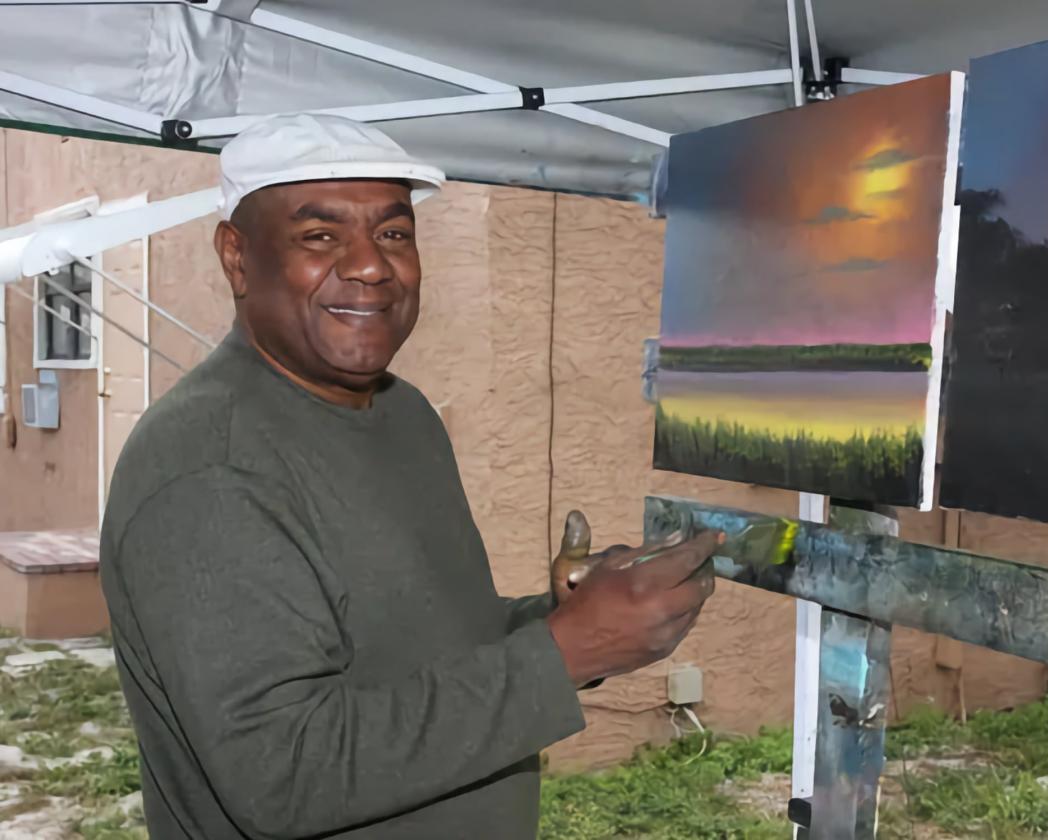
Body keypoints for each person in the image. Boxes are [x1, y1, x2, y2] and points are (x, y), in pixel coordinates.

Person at [98, 113, 720, 839]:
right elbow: (280, 773)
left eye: (394, 233)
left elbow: (423, 653)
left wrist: (562, 620)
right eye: (320, 236)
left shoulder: (403, 413)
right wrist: (566, 652)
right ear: (237, 258)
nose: (370, 265)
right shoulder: (209, 469)